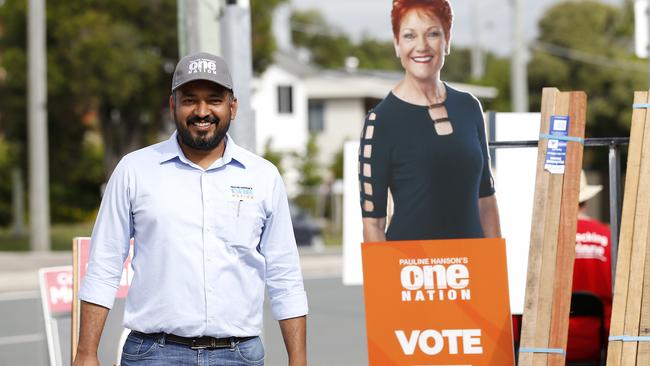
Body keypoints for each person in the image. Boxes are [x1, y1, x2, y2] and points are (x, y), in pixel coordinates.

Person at [73, 52, 308, 366]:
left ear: (232, 107)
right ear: (173, 106)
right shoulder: (134, 171)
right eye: (189, 100)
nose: (202, 111)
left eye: (214, 100)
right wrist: (86, 353)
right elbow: (103, 266)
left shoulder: (263, 177)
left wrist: (299, 358)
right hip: (153, 354)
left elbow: (285, 276)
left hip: (239, 355)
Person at [359, 0, 500, 242]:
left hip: (471, 270)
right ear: (397, 44)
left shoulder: (469, 107)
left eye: (433, 34)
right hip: (411, 273)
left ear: (447, 39)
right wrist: (385, 280)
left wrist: (497, 273)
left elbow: (486, 200)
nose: (421, 46)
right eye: (409, 36)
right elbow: (373, 223)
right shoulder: (380, 121)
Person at [567, 170, 612, 362]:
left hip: (550, 344)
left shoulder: (545, 240)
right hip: (600, 344)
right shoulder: (608, 237)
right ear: (585, 201)